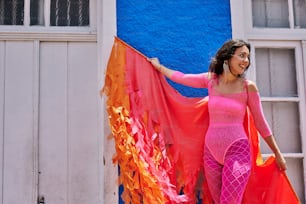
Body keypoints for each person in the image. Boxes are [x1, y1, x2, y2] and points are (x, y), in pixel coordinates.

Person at [148, 39, 287, 204]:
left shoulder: (247, 87)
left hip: (237, 151)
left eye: (247, 57)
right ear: (228, 56)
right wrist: (159, 67)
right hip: (211, 152)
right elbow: (183, 78)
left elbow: (260, 122)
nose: (246, 61)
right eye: (242, 55)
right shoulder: (211, 80)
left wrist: (277, 153)